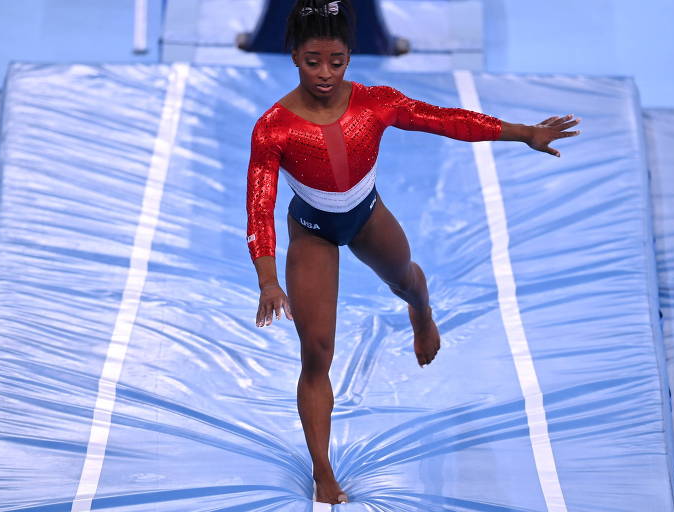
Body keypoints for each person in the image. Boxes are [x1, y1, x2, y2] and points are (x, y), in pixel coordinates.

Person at [244, 0, 581, 504]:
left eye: (336, 61)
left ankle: (420, 313)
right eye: (313, 61)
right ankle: (322, 470)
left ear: (350, 56)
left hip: (366, 212)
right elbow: (259, 206)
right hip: (311, 229)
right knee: (316, 352)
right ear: (293, 56)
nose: (325, 73)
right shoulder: (274, 126)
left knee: (409, 282)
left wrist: (524, 132)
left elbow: (446, 119)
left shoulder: (375, 102)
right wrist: (269, 280)